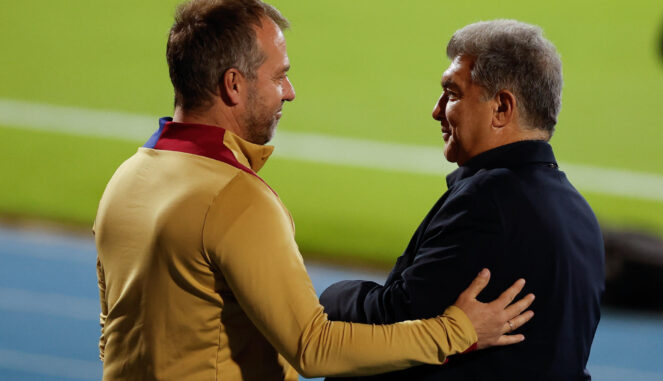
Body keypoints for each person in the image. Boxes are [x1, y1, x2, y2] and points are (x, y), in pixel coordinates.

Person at [93, 3, 536, 381]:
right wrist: (457, 331)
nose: (290, 92)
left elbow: (113, 332)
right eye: (279, 76)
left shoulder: (125, 180)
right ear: (233, 85)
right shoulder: (235, 198)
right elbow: (314, 346)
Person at [320, 20, 605, 380]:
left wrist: (332, 296)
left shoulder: (488, 200)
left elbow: (392, 321)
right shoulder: (579, 211)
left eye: (453, 94)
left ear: (502, 108)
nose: (437, 111)